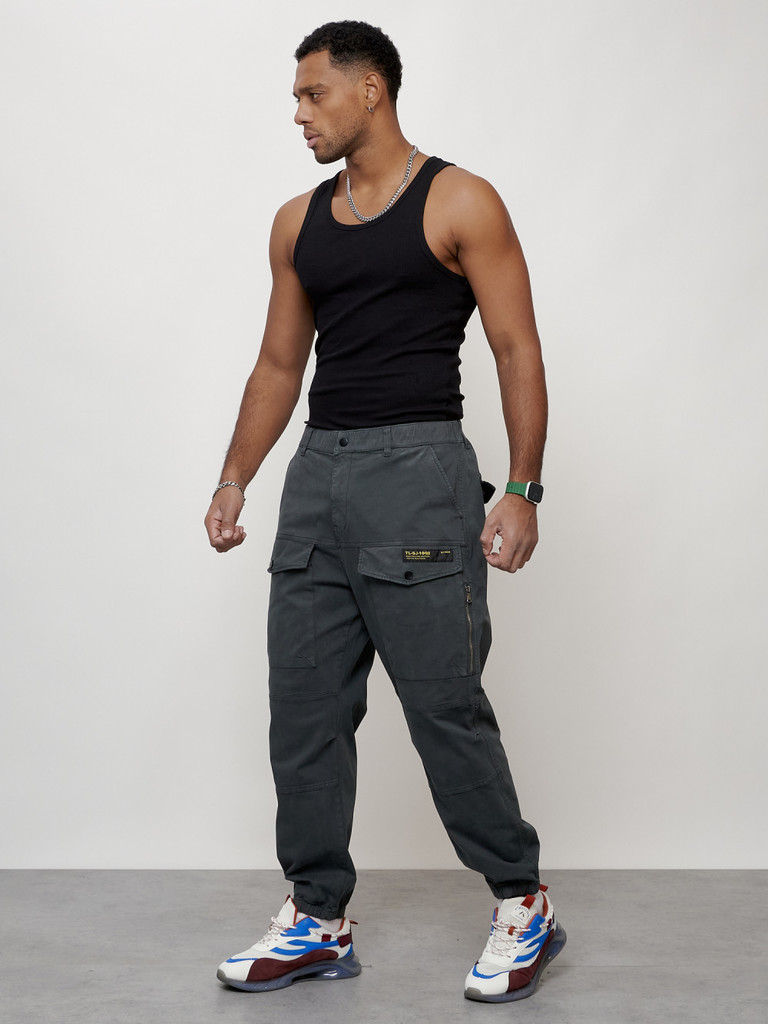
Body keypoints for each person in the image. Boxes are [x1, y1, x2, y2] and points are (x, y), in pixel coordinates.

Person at [205, 20, 565, 1004]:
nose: (299, 113)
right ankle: (317, 917)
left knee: (444, 706)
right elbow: (280, 363)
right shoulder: (297, 222)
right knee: (306, 711)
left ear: (370, 90)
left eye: (312, 93)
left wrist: (523, 488)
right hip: (318, 475)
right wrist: (236, 476)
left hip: (420, 470)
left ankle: (523, 902)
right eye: (296, 96)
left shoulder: (460, 200)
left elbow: (517, 348)